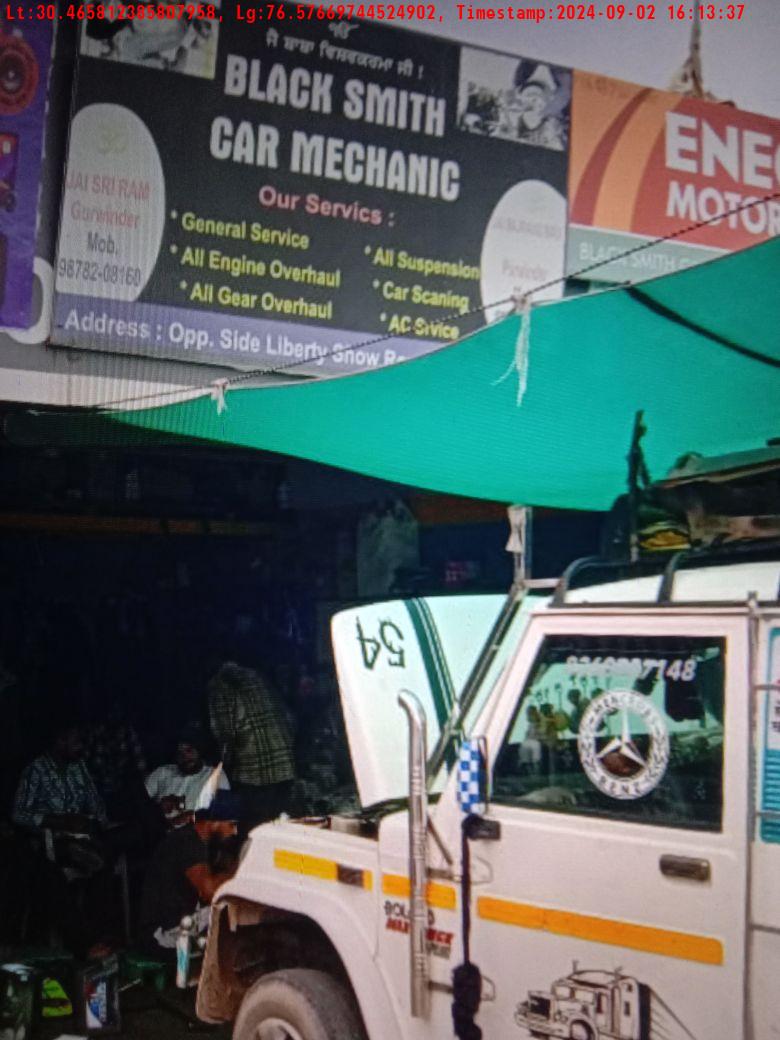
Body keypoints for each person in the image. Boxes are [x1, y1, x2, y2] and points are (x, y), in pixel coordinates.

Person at [139, 791, 242, 955]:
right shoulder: (188, 844)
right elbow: (210, 893)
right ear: (214, 822)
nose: (234, 832)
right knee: (232, 906)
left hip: (180, 920)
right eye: (231, 824)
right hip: (163, 933)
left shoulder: (198, 840)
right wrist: (241, 871)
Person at [208, 662, 295, 826]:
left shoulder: (219, 684)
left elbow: (224, 731)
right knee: (282, 822)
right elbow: (286, 714)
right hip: (283, 763)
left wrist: (224, 762)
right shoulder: (255, 675)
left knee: (256, 825)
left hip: (253, 771)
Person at [145, 722, 229, 827]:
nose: (185, 757)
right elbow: (138, 803)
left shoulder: (215, 775)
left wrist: (193, 818)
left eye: (189, 750)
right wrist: (157, 808)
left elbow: (224, 815)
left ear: (199, 751)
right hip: (157, 830)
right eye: (180, 753)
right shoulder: (162, 772)